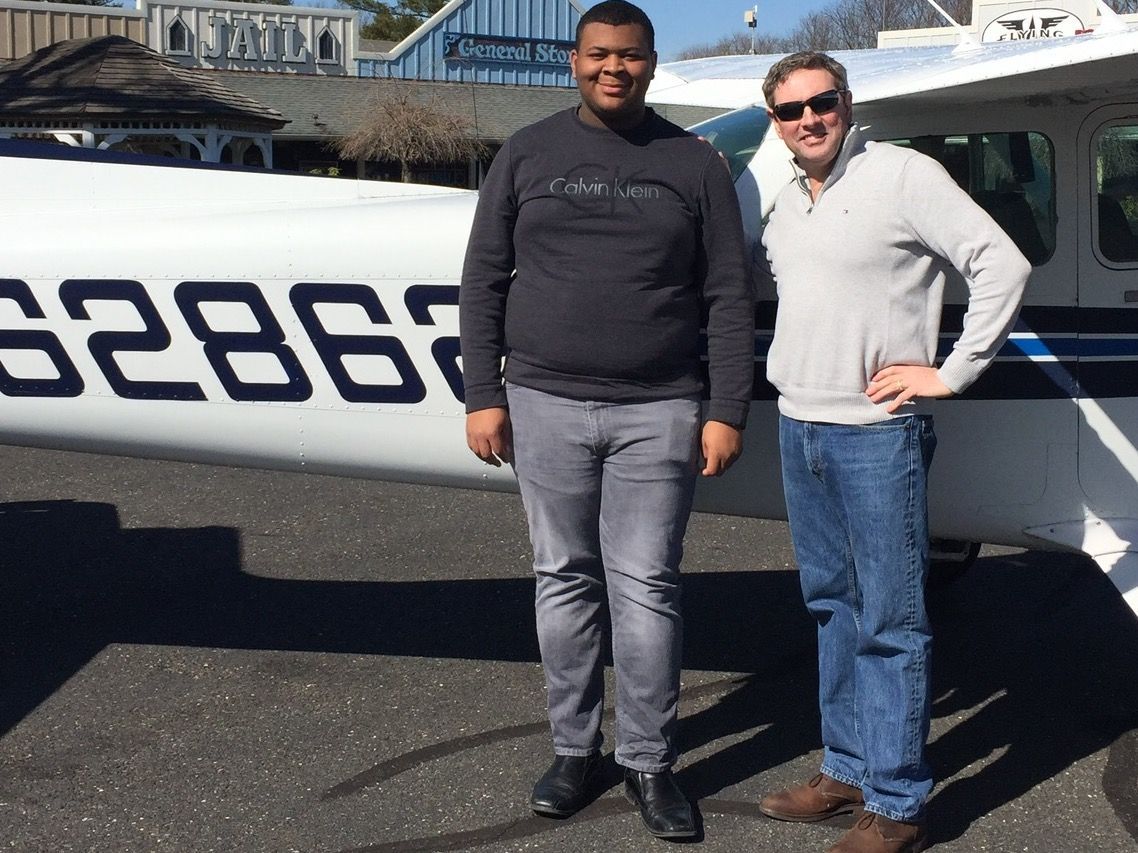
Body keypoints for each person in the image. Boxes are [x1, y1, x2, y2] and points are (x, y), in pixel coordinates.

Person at [458, 0, 754, 840]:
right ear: (573, 60)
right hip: (543, 400)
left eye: (628, 55)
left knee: (648, 586)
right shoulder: (528, 151)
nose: (612, 68)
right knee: (563, 576)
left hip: (660, 407)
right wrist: (484, 393)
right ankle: (574, 747)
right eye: (597, 54)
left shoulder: (693, 164)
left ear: (652, 63)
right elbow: (483, 280)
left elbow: (727, 295)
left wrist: (724, 408)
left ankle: (650, 760)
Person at [753, 51, 1030, 853]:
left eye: (822, 102)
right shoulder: (785, 200)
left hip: (876, 436)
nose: (808, 118)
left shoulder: (901, 175)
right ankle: (846, 767)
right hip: (800, 425)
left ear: (846, 102)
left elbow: (1000, 263)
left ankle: (898, 801)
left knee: (891, 621)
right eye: (790, 110)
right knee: (831, 607)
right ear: (775, 121)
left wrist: (950, 373)